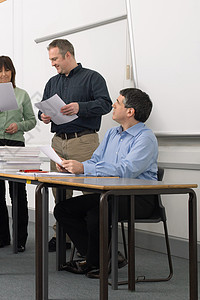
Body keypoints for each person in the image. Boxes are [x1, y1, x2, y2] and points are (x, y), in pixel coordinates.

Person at [53, 88, 158, 277]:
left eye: (117, 102)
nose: (113, 105)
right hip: (110, 194)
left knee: (96, 213)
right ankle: (101, 257)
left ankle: (97, 261)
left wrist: (84, 168)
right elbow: (95, 161)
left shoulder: (146, 137)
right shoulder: (112, 133)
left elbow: (127, 170)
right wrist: (73, 166)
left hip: (139, 197)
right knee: (63, 209)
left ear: (130, 111)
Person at [37, 39, 112, 251]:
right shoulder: (52, 82)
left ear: (67, 55)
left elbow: (106, 104)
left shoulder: (92, 78)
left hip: (84, 141)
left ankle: (93, 240)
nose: (52, 63)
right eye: (50, 59)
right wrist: (43, 116)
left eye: (55, 59)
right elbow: (43, 107)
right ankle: (62, 235)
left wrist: (81, 107)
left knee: (90, 193)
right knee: (59, 191)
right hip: (58, 142)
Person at [0, 56, 36, 252]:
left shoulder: (22, 95)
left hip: (15, 144)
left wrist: (18, 125)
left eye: (6, 70)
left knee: (18, 192)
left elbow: (32, 121)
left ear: (12, 72)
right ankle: (1, 237)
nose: (3, 74)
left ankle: (20, 239)